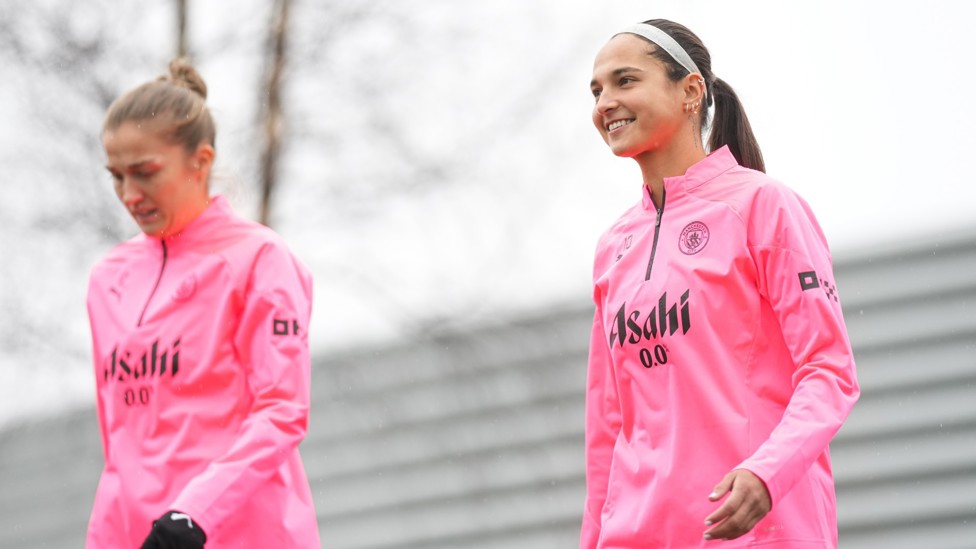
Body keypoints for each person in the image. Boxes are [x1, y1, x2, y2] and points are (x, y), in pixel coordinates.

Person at [581, 19, 860, 548]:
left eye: (624, 81)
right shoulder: (611, 247)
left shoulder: (764, 206)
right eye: (596, 90)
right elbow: (607, 426)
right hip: (640, 536)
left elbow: (829, 371)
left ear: (690, 91)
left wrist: (766, 473)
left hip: (761, 532)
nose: (605, 103)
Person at [86, 59, 321, 548]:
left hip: (243, 535)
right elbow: (120, 447)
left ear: (201, 160)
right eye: (116, 176)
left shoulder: (259, 260)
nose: (129, 195)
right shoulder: (107, 281)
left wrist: (192, 516)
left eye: (145, 173)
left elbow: (281, 411)